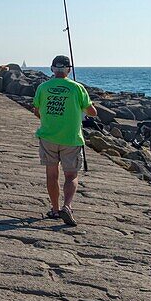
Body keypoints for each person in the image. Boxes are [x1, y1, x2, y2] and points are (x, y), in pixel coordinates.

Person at [33, 55, 97, 227]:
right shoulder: (77, 88)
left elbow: (36, 110)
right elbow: (92, 112)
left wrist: (48, 118)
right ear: (69, 69)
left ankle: (54, 209)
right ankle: (67, 206)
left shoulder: (43, 87)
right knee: (71, 175)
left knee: (52, 175)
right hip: (71, 138)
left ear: (52, 68)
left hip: (48, 136)